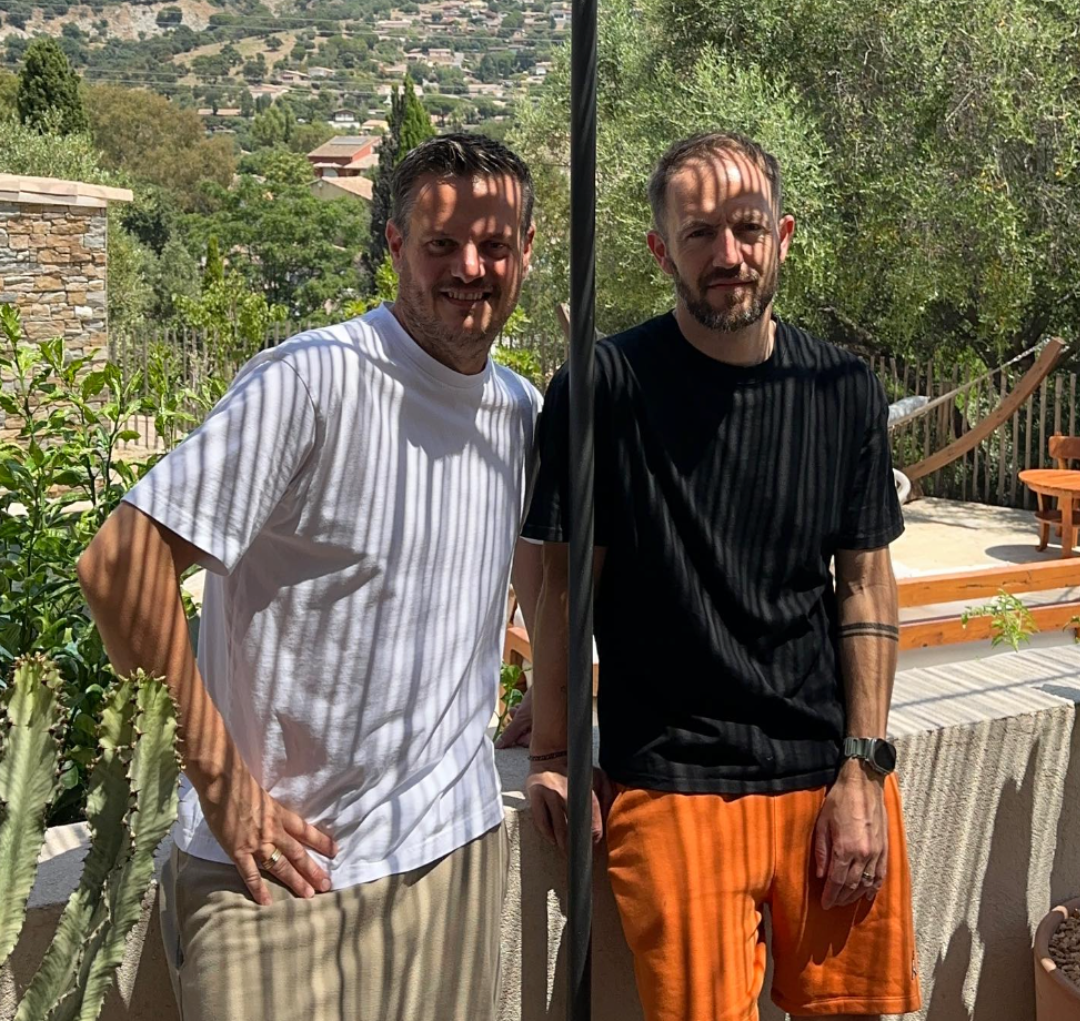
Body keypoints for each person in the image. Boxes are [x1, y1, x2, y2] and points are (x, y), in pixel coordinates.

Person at [78, 133, 543, 1021]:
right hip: (281, 879)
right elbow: (119, 566)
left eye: (493, 245)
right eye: (442, 244)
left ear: (525, 252)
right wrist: (223, 787)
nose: (469, 268)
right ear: (395, 246)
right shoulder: (313, 381)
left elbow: (532, 579)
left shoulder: (520, 412)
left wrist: (552, 722)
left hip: (452, 859)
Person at [524, 131, 922, 1021]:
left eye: (747, 227)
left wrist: (863, 770)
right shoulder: (602, 387)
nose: (729, 255)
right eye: (700, 234)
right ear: (662, 250)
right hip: (674, 787)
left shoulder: (844, 388)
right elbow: (564, 588)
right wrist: (552, 752)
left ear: (783, 235)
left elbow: (863, 585)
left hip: (831, 777)